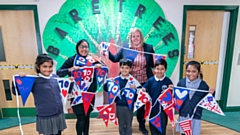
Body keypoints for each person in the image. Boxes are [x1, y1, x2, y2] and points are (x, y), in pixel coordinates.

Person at [107, 28, 155, 135]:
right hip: (128, 82)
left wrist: (159, 61)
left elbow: (153, 64)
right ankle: (127, 125)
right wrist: (106, 52)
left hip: (144, 82)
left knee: (141, 105)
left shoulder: (148, 48)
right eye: (133, 36)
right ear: (130, 38)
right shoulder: (126, 48)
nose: (136, 38)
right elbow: (115, 59)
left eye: (138, 36)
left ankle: (142, 125)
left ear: (141, 37)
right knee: (128, 105)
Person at [12, 54, 67, 135]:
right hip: (46, 115)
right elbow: (16, 92)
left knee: (58, 133)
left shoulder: (56, 77)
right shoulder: (33, 81)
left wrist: (70, 81)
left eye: (50, 66)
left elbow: (64, 89)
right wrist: (18, 80)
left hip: (58, 113)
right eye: (45, 66)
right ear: (38, 67)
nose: (48, 69)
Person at [57, 39, 103, 135]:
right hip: (77, 94)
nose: (84, 49)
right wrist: (70, 69)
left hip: (90, 94)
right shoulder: (72, 60)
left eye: (86, 47)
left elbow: (104, 69)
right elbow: (59, 73)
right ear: (77, 48)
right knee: (81, 117)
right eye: (81, 46)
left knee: (87, 116)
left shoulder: (92, 60)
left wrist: (100, 66)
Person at [175, 60, 215, 135]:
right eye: (188, 71)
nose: (190, 74)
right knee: (184, 133)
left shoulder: (203, 85)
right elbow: (176, 97)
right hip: (184, 113)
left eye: (194, 71)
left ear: (198, 72)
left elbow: (208, 100)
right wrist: (171, 91)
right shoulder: (182, 82)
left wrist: (211, 93)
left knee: (193, 132)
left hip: (195, 115)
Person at [104, 58, 141, 135]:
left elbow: (140, 92)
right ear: (120, 68)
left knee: (128, 125)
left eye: (127, 68)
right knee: (121, 125)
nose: (124, 70)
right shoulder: (116, 80)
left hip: (129, 106)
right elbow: (106, 89)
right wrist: (108, 82)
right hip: (119, 105)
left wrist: (135, 89)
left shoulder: (133, 80)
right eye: (122, 67)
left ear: (130, 69)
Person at [142, 59, 173, 135]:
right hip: (152, 109)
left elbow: (171, 96)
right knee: (153, 129)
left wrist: (170, 91)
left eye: (162, 69)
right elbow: (144, 88)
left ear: (166, 69)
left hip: (163, 110)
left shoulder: (168, 81)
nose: (159, 71)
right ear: (154, 69)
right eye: (157, 69)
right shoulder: (150, 80)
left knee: (162, 130)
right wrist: (143, 89)